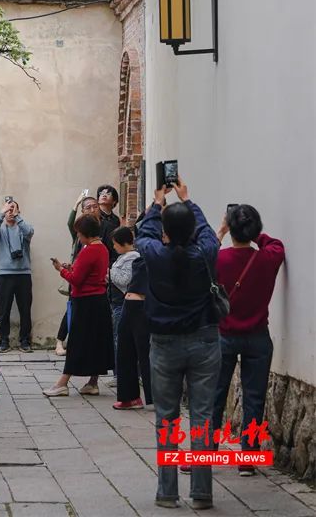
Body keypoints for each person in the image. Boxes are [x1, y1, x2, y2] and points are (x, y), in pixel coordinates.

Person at [136, 177, 220, 511]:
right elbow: (208, 233)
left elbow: (143, 234)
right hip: (204, 339)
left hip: (165, 344)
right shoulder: (205, 254)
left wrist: (158, 204)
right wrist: (189, 201)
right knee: (202, 417)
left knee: (166, 418)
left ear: (165, 231)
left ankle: (167, 491)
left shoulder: (156, 254)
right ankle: (201, 493)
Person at [212, 204, 285, 476]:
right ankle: (248, 458)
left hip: (224, 335)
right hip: (257, 336)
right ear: (254, 229)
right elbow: (274, 243)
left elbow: (204, 254)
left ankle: (205, 453)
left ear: (230, 227)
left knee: (214, 397)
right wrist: (255, 234)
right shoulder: (269, 257)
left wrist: (220, 231)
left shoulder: (219, 260)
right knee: (255, 399)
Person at [43, 215, 114, 397]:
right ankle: (93, 382)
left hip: (85, 301)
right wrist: (71, 267)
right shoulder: (103, 248)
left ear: (86, 234)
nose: (78, 238)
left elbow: (76, 280)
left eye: (79, 234)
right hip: (99, 300)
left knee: (76, 341)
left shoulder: (89, 250)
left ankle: (63, 383)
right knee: (95, 341)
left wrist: (61, 270)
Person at [55, 191, 102, 356]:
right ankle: (60, 341)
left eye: (95, 206)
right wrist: (75, 204)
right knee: (72, 307)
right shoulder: (79, 231)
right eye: (88, 207)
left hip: (93, 280)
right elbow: (70, 223)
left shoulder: (103, 230)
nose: (92, 210)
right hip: (77, 274)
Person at [113, 233, 152, 411]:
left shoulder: (159, 253)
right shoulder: (143, 254)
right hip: (130, 305)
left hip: (143, 306)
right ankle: (129, 396)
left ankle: (156, 396)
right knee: (125, 350)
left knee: (145, 351)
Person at [0, 200, 34, 353]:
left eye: (13, 208)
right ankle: (3, 340)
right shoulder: (0, 230)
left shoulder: (23, 227)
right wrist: (1, 212)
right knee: (4, 310)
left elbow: (29, 232)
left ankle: (25, 340)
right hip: (5, 274)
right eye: (8, 209)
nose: (10, 212)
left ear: (18, 211)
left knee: (25, 309)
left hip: (24, 274)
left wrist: (18, 217)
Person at [109, 225, 138, 350]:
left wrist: (110, 272)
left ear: (123, 243)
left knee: (119, 339)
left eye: (115, 244)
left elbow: (124, 280)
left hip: (122, 303)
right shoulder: (123, 257)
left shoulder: (132, 257)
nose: (114, 247)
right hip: (117, 303)